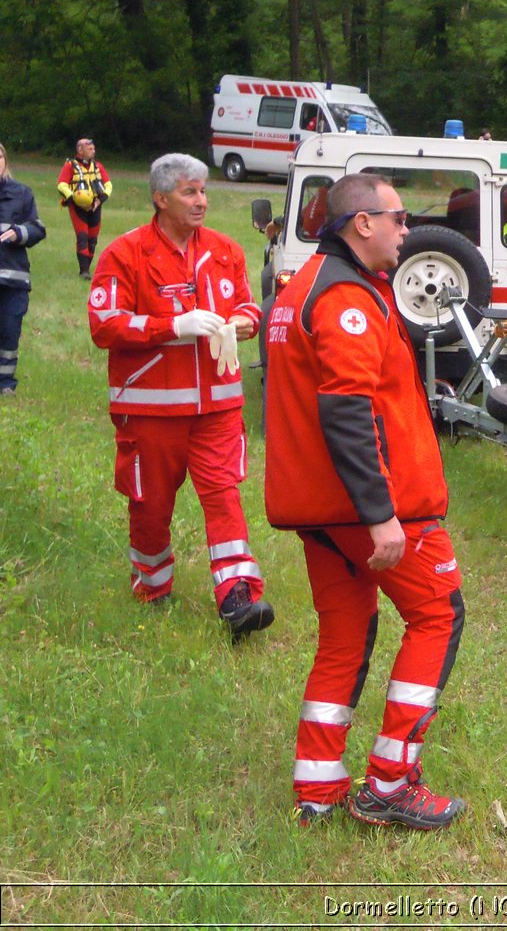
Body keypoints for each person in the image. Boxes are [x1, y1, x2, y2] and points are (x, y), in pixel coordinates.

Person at [264, 174, 467, 831]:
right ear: (362, 224)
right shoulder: (344, 298)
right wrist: (381, 514)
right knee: (438, 616)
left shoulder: (310, 284)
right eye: (400, 218)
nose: (409, 231)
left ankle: (318, 788)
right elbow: (348, 412)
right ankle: (390, 783)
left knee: (345, 637)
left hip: (320, 507)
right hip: (368, 509)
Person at [86, 153, 273, 638]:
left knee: (224, 497)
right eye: (190, 192)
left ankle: (238, 597)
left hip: (218, 407)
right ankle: (152, 587)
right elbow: (104, 324)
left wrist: (243, 322)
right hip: (149, 410)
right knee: (149, 504)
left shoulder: (226, 249)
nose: (202, 201)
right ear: (160, 197)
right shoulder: (124, 254)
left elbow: (247, 304)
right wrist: (172, 326)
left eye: (204, 191)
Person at [0, 143, 46, 397]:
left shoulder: (21, 194)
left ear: (5, 161)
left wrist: (19, 233)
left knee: (8, 331)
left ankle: (5, 383)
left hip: (13, 280)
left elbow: (38, 229)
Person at [57, 137, 113, 278]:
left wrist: (100, 200)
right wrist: (74, 198)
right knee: (82, 237)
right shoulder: (70, 166)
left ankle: (87, 267)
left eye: (93, 149)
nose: (93, 151)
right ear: (80, 150)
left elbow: (108, 185)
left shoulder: (98, 166)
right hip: (77, 206)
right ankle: (84, 271)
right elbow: (61, 184)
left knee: (92, 239)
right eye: (90, 149)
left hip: (95, 205)